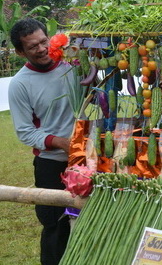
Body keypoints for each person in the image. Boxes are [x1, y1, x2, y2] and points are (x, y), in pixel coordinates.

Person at [8, 18, 74, 265]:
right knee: (55, 226)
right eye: (32, 46)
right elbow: (24, 132)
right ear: (20, 52)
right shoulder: (20, 84)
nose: (42, 49)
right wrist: (60, 142)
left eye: (44, 41)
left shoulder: (73, 67)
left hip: (87, 160)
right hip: (52, 165)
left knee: (90, 218)